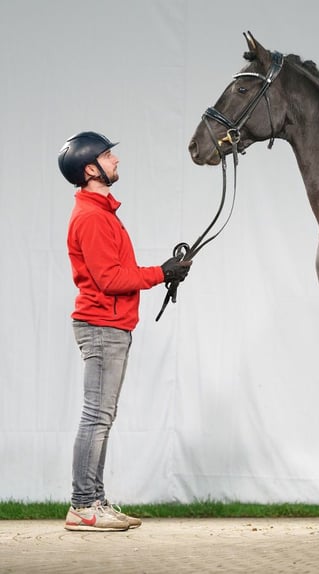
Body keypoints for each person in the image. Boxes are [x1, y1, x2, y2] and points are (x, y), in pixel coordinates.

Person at [58, 131, 192, 531]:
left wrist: (162, 272)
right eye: (108, 155)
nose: (116, 161)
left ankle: (93, 500)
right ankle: (83, 505)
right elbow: (110, 278)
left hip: (109, 326)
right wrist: (161, 273)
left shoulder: (101, 212)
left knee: (102, 416)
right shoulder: (93, 217)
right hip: (102, 326)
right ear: (90, 168)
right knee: (97, 416)